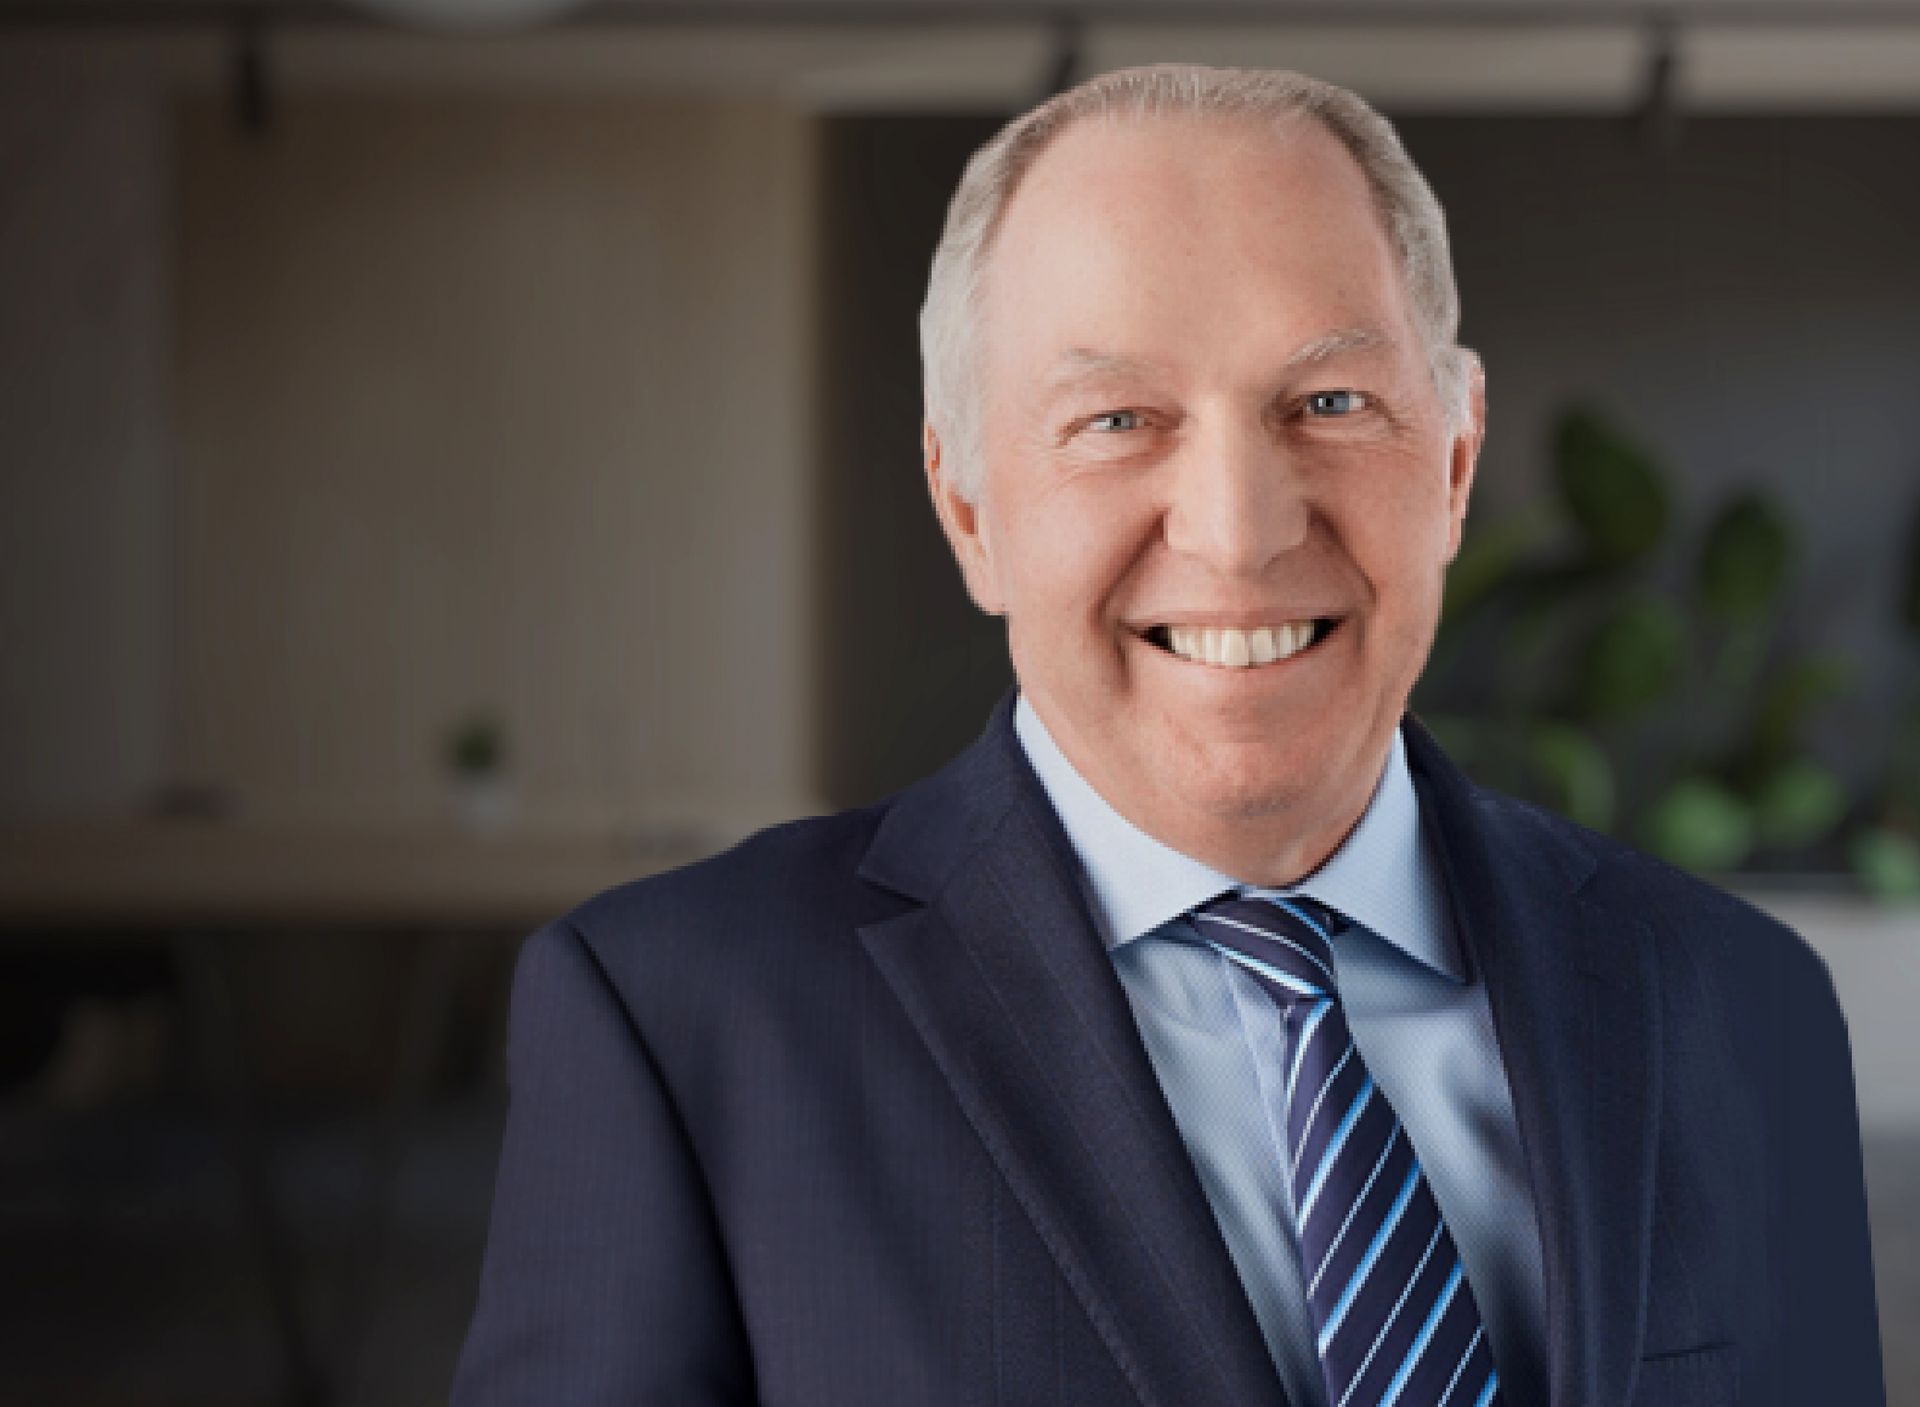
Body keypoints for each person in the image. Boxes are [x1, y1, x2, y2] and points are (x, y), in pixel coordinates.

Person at [451, 64, 1885, 1407]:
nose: (1240, 531)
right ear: (970, 509)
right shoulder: (679, 1021)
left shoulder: (1738, 1003)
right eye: (1120, 417)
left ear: (1451, 464)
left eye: (1331, 402)